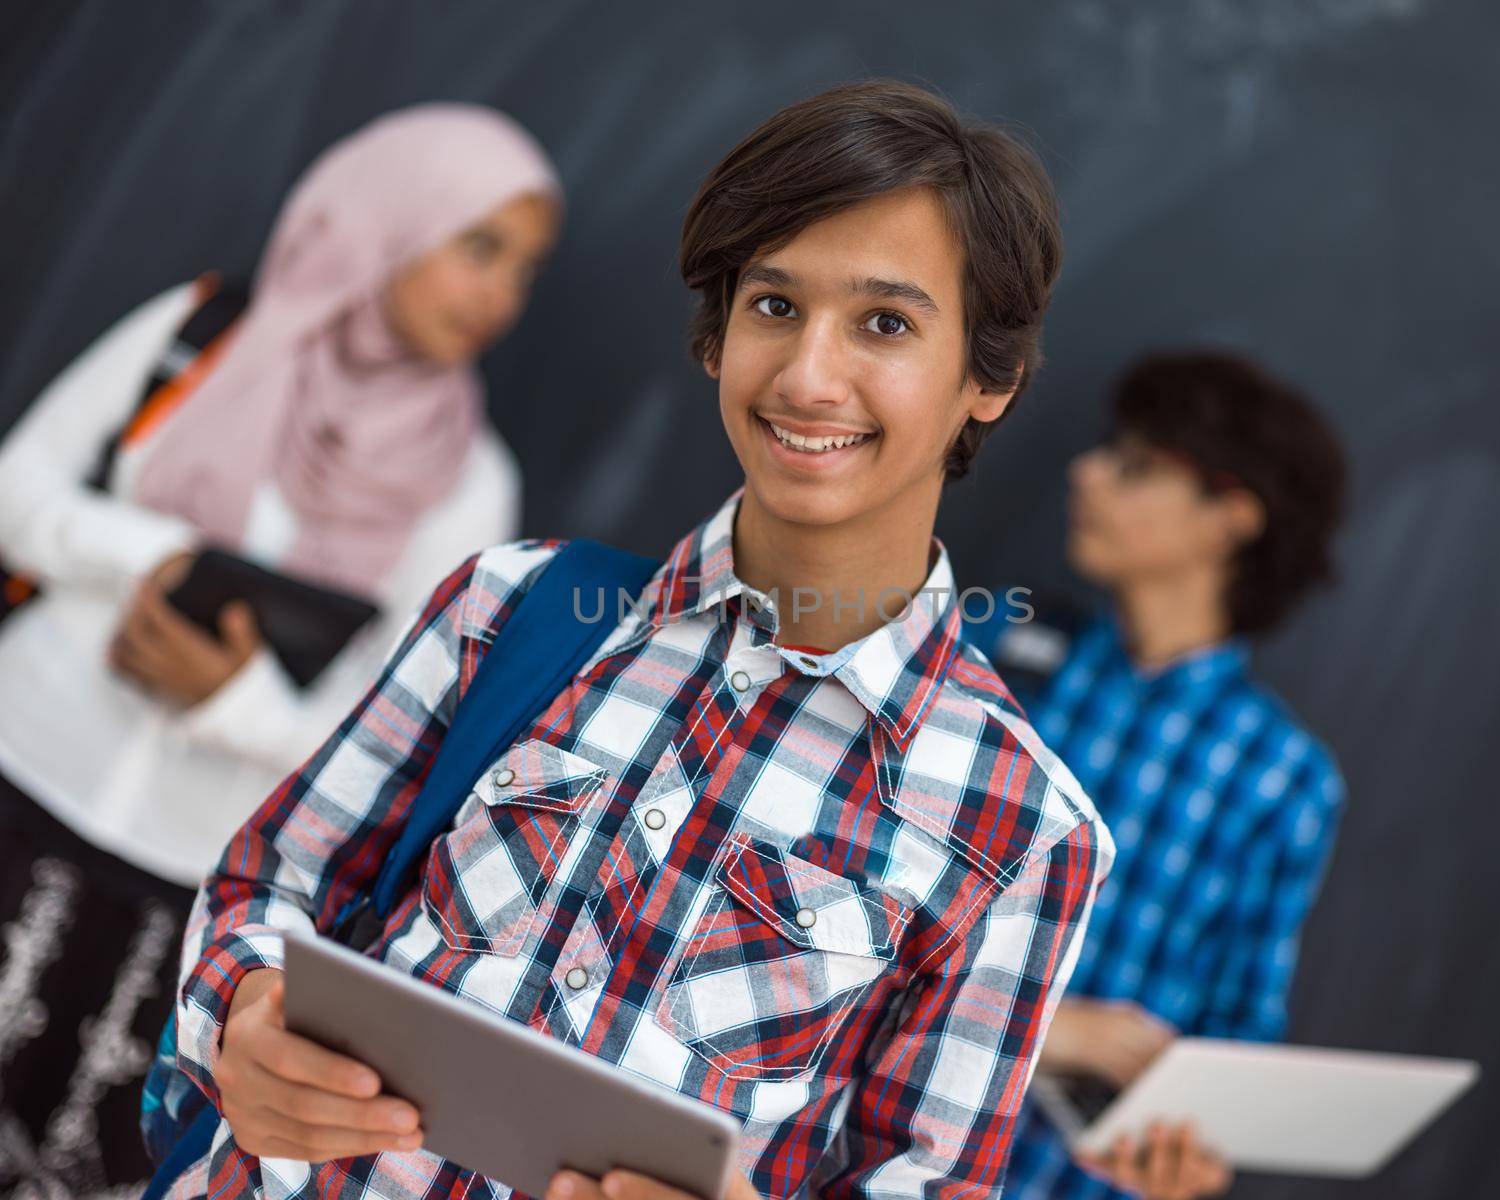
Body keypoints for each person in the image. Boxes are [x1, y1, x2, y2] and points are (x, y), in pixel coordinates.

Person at [154, 80, 1115, 1200]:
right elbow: (267, 889)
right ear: (715, 335)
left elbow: (932, 1181)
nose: (807, 375)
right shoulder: (507, 609)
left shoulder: (1023, 829)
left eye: (886, 324)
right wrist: (241, 1015)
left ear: (988, 379)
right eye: (772, 307)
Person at [0, 103, 562, 1194]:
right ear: (389, 218)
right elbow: (17, 491)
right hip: (22, 776)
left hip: (184, 888)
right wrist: (154, 557)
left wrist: (229, 699)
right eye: (479, 247)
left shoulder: (467, 482)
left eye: (523, 272)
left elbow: (405, 738)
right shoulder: (200, 333)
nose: (495, 297)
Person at [975, 351, 1348, 1200]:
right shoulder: (1000, 651)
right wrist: (1041, 1029)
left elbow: (1237, 1026)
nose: (1088, 472)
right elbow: (878, 906)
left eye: (1135, 467)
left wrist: (1196, 1150)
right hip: (886, 1147)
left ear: (1230, 518)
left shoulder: (1282, 779)